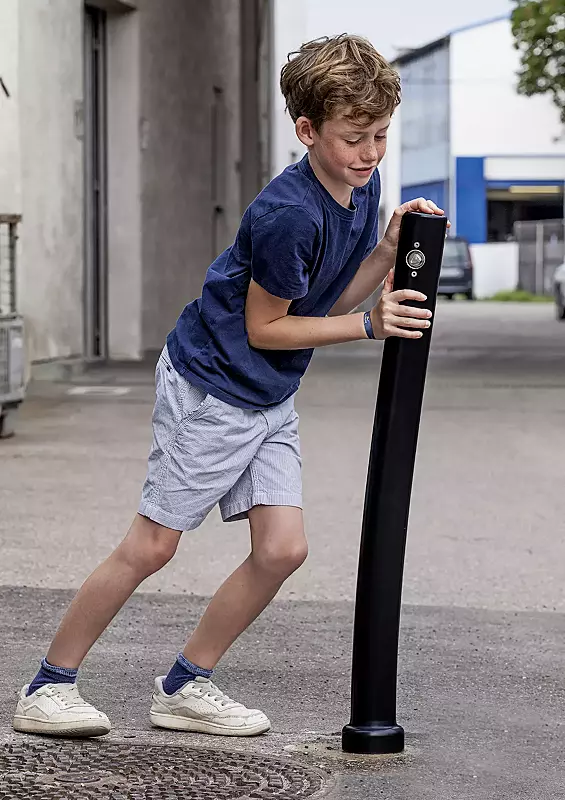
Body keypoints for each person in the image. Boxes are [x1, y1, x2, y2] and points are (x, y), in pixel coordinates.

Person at [13, 33, 445, 739]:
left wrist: (385, 254)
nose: (370, 153)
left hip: (266, 395)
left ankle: (185, 686)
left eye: (380, 136)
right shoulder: (289, 214)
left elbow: (325, 303)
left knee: (281, 550)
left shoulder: (357, 195)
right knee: (152, 545)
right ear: (306, 130)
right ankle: (47, 685)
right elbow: (268, 327)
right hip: (214, 386)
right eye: (354, 138)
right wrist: (369, 327)